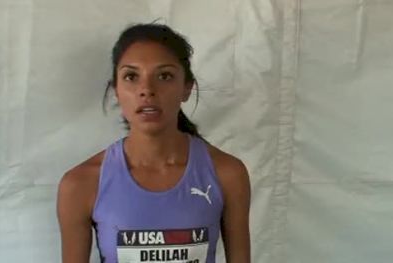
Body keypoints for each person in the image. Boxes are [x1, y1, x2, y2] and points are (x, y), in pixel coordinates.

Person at [57, 23, 251, 263]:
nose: (147, 90)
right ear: (116, 90)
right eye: (131, 76)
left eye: (164, 76)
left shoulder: (227, 174)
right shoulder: (80, 184)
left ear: (186, 88)